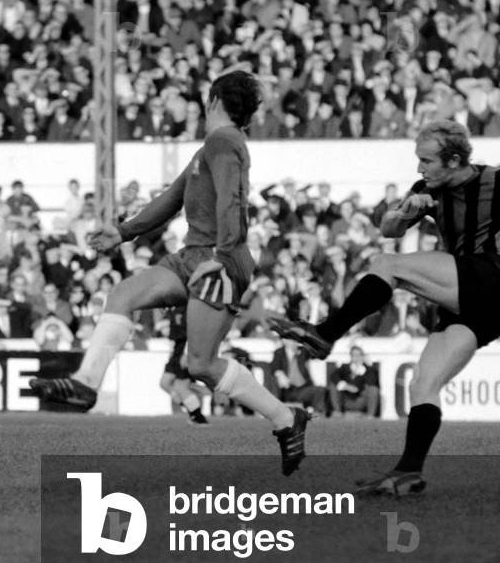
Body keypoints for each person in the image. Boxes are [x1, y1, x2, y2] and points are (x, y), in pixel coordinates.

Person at [30, 71, 309, 476]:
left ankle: (286, 419)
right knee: (124, 294)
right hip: (194, 255)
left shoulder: (223, 142)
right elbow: (172, 198)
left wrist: (223, 256)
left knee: (200, 365)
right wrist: (123, 232)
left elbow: (233, 203)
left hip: (217, 260)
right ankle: (86, 384)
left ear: (212, 100)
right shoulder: (210, 148)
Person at [269, 120, 500, 495]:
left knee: (388, 265)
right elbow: (388, 228)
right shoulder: (427, 189)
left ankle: (325, 334)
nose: (419, 168)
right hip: (475, 310)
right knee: (424, 383)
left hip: (493, 278)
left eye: (426, 160)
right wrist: (407, 210)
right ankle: (409, 471)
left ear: (454, 160)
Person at [158, 307, 210, 424]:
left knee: (181, 387)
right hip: (176, 351)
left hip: (183, 352)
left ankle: (198, 417)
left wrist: (186, 352)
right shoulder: (174, 308)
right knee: (165, 383)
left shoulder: (186, 308)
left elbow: (192, 331)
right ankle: (193, 412)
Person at [330, 345, 380, 417]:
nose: (356, 357)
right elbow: (333, 376)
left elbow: (372, 382)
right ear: (351, 356)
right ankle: (338, 412)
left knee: (373, 389)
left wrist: (360, 373)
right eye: (354, 355)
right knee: (334, 384)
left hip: (361, 401)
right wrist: (346, 386)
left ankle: (370, 415)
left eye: (358, 355)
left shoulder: (369, 370)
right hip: (346, 400)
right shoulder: (345, 367)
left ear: (362, 356)